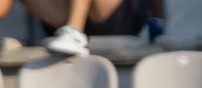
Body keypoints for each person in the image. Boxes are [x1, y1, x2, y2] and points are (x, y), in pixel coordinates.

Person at [0, 0, 163, 55]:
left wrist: (160, 20)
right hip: (64, 17)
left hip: (114, 13)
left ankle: (74, 31)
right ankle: (72, 30)